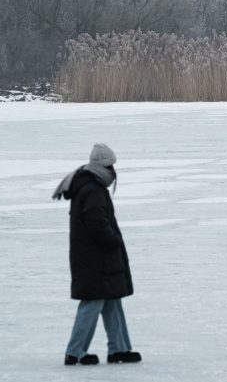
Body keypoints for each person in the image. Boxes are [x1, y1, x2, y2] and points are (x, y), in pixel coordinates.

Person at [52, 143, 142, 365]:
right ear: (102, 166)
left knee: (112, 300)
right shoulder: (92, 189)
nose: (114, 171)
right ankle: (75, 351)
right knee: (92, 301)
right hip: (95, 259)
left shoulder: (93, 186)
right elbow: (97, 225)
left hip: (97, 257)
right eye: (111, 166)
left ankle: (119, 349)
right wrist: (114, 241)